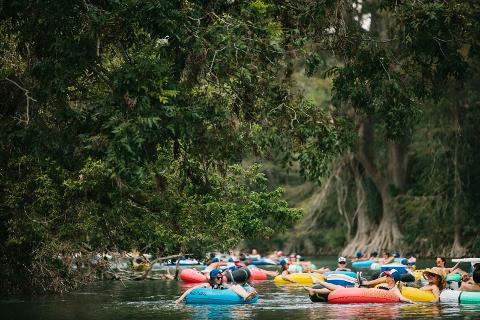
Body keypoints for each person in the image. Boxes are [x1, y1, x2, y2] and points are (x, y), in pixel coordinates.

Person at [304, 270, 413, 303]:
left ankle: (317, 283)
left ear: (392, 279)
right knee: (339, 289)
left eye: (387, 276)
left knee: (340, 289)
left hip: (372, 297)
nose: (385, 276)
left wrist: (411, 302)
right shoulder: (382, 284)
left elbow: (400, 297)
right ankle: (314, 290)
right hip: (366, 293)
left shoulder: (394, 288)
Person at [175, 269, 257, 303]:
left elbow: (233, 287)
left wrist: (249, 290)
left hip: (226, 298)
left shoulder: (223, 284)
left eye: (221, 277)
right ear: (213, 278)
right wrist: (180, 299)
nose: (220, 279)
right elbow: (191, 289)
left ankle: (246, 296)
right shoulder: (207, 285)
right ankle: (246, 296)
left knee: (235, 286)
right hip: (211, 304)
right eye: (218, 277)